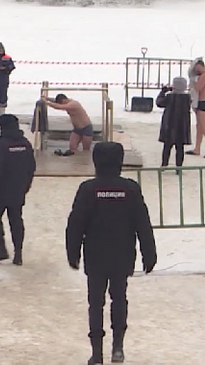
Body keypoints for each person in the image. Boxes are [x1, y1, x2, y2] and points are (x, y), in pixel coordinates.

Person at [66, 141, 157, 365]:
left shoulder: (88, 189)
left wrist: (72, 251)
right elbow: (142, 223)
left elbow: (76, 223)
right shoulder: (130, 188)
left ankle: (97, 352)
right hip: (123, 253)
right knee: (119, 299)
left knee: (95, 303)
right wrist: (149, 252)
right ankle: (118, 347)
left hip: (95, 254)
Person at [0, 114, 37, 265]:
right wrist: (25, 186)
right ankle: (18, 253)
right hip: (18, 189)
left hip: (0, 191)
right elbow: (31, 167)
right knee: (16, 219)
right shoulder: (25, 144)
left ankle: (2, 248)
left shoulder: (0, 145)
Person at [155, 77, 192, 167]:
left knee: (167, 147)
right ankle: (179, 166)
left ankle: (164, 164)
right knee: (180, 148)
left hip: (169, 125)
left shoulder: (169, 97)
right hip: (182, 127)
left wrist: (162, 92)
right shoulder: (187, 98)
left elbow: (159, 103)